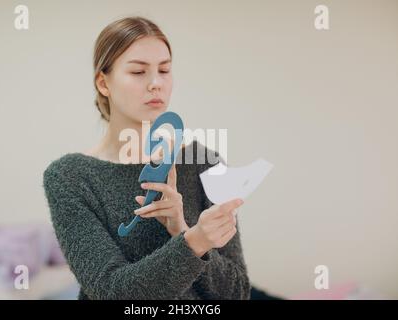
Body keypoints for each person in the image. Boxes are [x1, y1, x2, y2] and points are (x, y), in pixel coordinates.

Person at [43, 16, 251, 300]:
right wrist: (193, 242)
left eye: (164, 70)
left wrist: (182, 230)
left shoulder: (204, 162)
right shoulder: (70, 177)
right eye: (139, 72)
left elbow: (236, 294)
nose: (156, 83)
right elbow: (112, 292)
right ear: (103, 83)